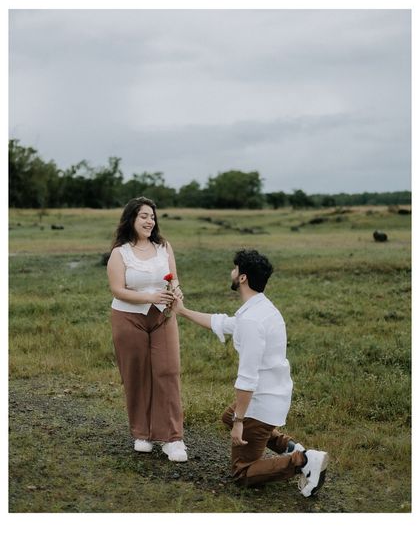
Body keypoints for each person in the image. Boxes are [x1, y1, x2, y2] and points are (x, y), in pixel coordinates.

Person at [172, 249, 329, 495]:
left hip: (262, 401)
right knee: (227, 415)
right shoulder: (262, 309)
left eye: (235, 269)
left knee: (242, 472)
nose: (231, 272)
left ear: (242, 277)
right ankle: (294, 449)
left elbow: (247, 379)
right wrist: (182, 311)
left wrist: (240, 422)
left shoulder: (252, 321)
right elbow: (223, 323)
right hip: (274, 393)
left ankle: (305, 462)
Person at [107, 196, 188, 463]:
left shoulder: (164, 247)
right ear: (131, 219)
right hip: (128, 318)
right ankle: (142, 434)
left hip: (162, 317)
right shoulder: (120, 253)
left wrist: (176, 293)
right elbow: (118, 289)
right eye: (143, 216)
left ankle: (173, 439)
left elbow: (173, 278)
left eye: (152, 216)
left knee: (168, 371)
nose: (149, 220)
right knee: (136, 374)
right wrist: (150, 297)